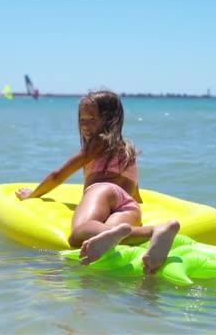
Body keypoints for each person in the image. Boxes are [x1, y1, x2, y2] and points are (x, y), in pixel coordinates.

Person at [15, 90, 180, 275]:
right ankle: (156, 231)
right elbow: (135, 194)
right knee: (113, 233)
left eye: (92, 120)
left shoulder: (97, 143)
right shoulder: (128, 151)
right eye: (82, 120)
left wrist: (33, 195)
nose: (85, 126)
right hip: (128, 205)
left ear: (110, 120)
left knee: (79, 233)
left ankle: (138, 232)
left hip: (101, 191)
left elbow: (58, 175)